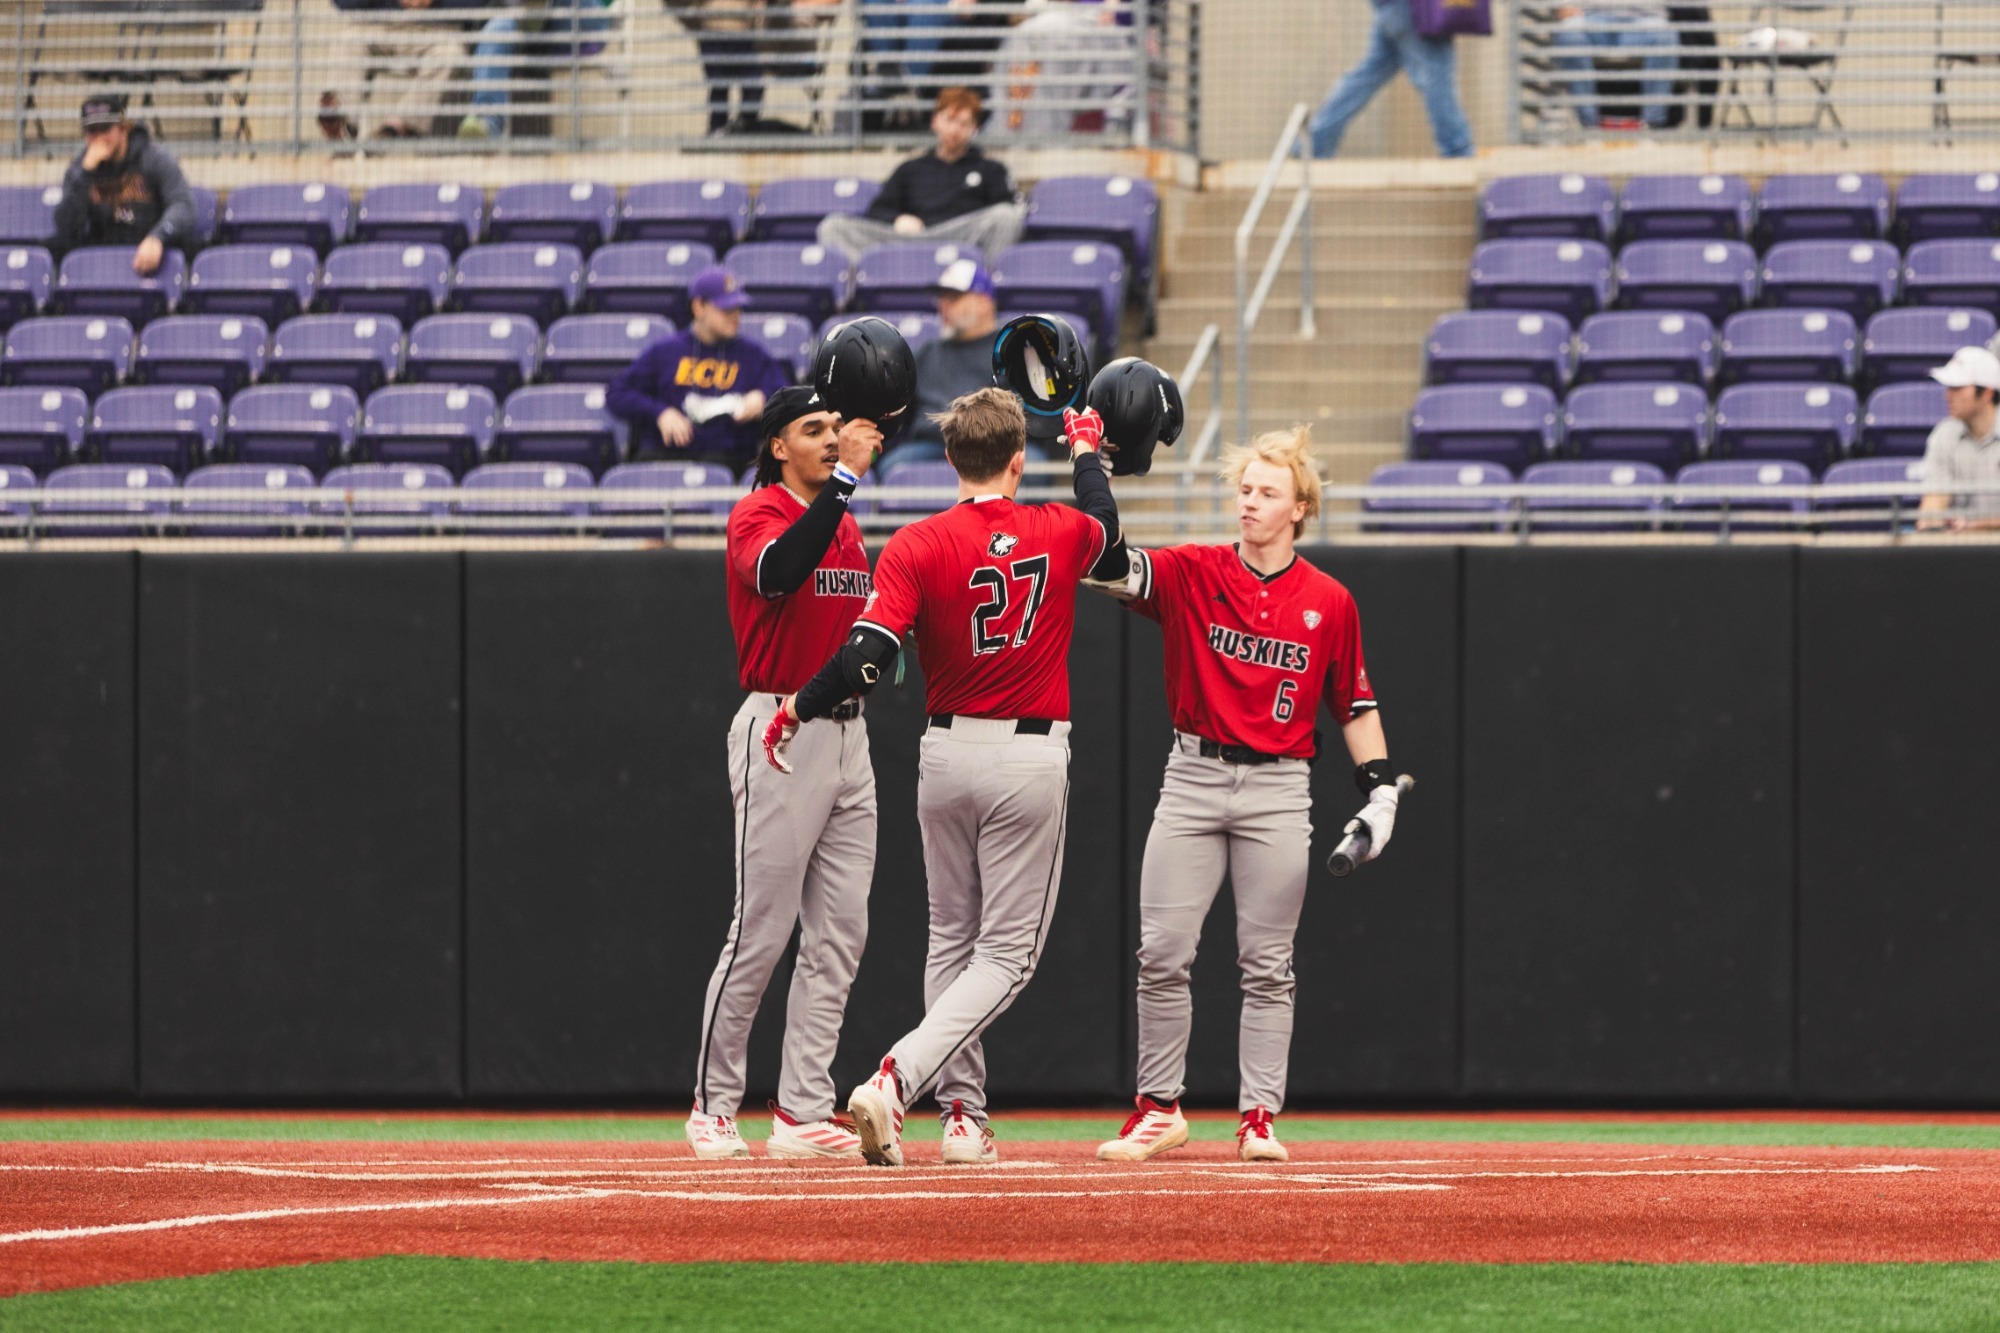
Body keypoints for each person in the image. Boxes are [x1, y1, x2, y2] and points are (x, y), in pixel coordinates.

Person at [761, 388, 1126, 1166]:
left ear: (952, 458)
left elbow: (867, 657)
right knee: (1007, 955)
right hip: (1028, 752)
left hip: (946, 752)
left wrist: (798, 704)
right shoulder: (1059, 527)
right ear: (1017, 462)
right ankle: (898, 1078)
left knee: (953, 938)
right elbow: (1108, 526)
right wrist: (1085, 448)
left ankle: (963, 1115)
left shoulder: (917, 542)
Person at [1091, 425, 1401, 1165]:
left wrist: (1381, 789)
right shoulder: (1193, 569)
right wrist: (1090, 469)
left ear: (1300, 508)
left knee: (1267, 964)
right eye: (1245, 489)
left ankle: (1258, 1117)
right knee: (1162, 953)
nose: (1250, 502)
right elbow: (1108, 568)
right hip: (1193, 774)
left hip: (1279, 786)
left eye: (1268, 492)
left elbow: (1354, 705)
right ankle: (1158, 1108)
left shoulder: (1330, 600)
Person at [687, 386, 886, 1161]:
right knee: (761, 931)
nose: (832, 438)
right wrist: (845, 483)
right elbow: (777, 572)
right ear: (779, 446)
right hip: (779, 728)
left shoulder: (845, 521)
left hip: (848, 736)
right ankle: (713, 1105)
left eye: (836, 427)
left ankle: (802, 1108)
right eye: (814, 429)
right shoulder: (757, 512)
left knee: (840, 933)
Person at [605, 265, 790, 471]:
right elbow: (617, 393)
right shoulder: (666, 351)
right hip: (665, 455)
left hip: (728, 460)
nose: (735, 316)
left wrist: (764, 398)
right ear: (698, 307)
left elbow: (786, 400)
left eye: (738, 309)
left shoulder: (753, 354)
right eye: (726, 309)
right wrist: (660, 413)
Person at [816, 87, 1026, 266]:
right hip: (911, 241)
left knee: (1006, 217)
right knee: (833, 227)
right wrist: (898, 219)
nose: (955, 129)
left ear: (974, 129)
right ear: (935, 121)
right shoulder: (910, 168)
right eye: (950, 120)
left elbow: (1010, 210)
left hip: (961, 240)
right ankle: (863, 287)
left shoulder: (991, 169)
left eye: (964, 124)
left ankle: (982, 287)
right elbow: (878, 210)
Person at [886, 257, 1026, 464]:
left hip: (996, 445)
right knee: (896, 464)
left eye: (954, 298)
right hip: (931, 445)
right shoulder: (925, 354)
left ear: (984, 303)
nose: (944, 305)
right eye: (942, 298)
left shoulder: (1009, 350)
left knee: (1030, 463)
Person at [1308, 0, 1474, 160]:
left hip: (1390, 7)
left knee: (1368, 74)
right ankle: (1457, 153)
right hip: (1415, 7)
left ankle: (1315, 144)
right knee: (1437, 75)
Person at [52, 95, 197, 274]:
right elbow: (65, 225)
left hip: (151, 256)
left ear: (123, 128)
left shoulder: (154, 158)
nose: (99, 138)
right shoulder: (80, 168)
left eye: (105, 129)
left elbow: (183, 205)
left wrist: (158, 237)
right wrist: (86, 174)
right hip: (102, 261)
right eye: (91, 131)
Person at [323, 0, 484, 140]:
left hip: (439, 28)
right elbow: (344, 3)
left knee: (451, 54)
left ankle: (395, 129)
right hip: (379, 24)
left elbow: (482, 4)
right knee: (347, 41)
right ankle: (342, 125)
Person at [459, 0, 614, 141]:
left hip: (574, 18)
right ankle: (487, 122)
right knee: (498, 29)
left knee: (501, 26)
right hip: (517, 24)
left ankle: (534, 11)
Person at [1551, 3, 1677, 131]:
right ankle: (1589, 127)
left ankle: (1652, 126)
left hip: (1644, 20)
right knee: (1569, 36)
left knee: (1665, 37)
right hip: (1591, 19)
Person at [1917, 346, 2000, 534]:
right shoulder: (1944, 435)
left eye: (1957, 388)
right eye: (1949, 388)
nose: (1948, 395)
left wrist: (1975, 527)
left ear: (1987, 393)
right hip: (1960, 546)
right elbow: (1935, 500)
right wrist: (1931, 522)